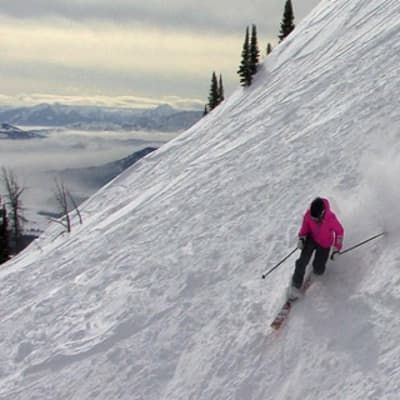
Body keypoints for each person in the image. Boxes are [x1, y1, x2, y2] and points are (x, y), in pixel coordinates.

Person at [288, 197, 344, 300]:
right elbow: (305, 227)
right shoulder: (309, 214)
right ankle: (295, 286)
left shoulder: (331, 218)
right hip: (311, 239)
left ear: (322, 213)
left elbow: (339, 232)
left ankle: (315, 270)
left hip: (325, 243)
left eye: (316, 219)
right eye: (312, 218)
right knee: (302, 261)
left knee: (319, 270)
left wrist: (336, 249)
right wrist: (302, 238)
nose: (314, 220)